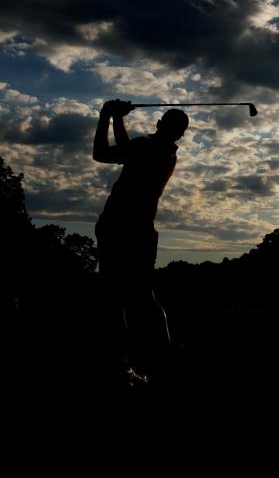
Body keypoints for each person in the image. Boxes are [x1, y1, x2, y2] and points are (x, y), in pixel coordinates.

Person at [93, 99, 189, 387]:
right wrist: (118, 120)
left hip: (118, 227)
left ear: (159, 124)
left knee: (114, 299)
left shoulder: (147, 147)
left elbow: (101, 154)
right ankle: (168, 355)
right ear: (180, 134)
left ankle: (122, 369)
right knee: (144, 297)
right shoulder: (163, 152)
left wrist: (105, 116)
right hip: (143, 231)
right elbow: (126, 154)